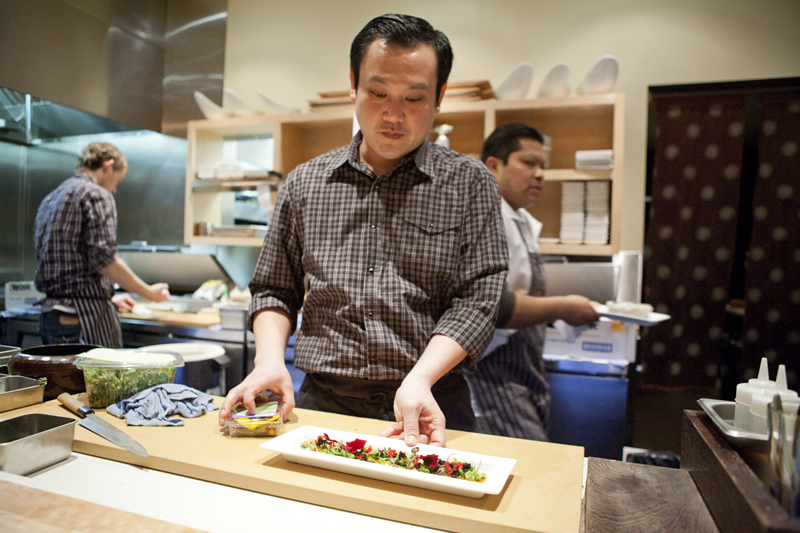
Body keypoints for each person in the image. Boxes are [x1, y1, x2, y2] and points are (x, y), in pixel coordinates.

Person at [219, 14, 508, 447]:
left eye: (414, 98)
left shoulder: (469, 182)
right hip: (323, 404)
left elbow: (479, 299)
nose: (394, 114)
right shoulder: (305, 183)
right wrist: (268, 361)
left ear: (439, 97)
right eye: (378, 93)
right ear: (353, 85)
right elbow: (275, 289)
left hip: (431, 402)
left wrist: (420, 378)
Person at [465, 123, 600, 440]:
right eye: (528, 163)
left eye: (543, 166)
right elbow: (493, 305)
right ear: (494, 166)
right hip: (491, 368)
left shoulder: (521, 219)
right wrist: (563, 307)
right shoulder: (488, 216)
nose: (539, 174)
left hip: (521, 364)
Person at [34, 142, 171, 348]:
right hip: (83, 318)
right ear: (108, 165)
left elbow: (68, 264)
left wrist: (105, 298)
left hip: (52, 317)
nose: (114, 190)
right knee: (99, 371)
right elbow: (105, 260)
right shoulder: (96, 194)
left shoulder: (51, 198)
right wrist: (149, 293)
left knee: (62, 371)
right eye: (117, 181)